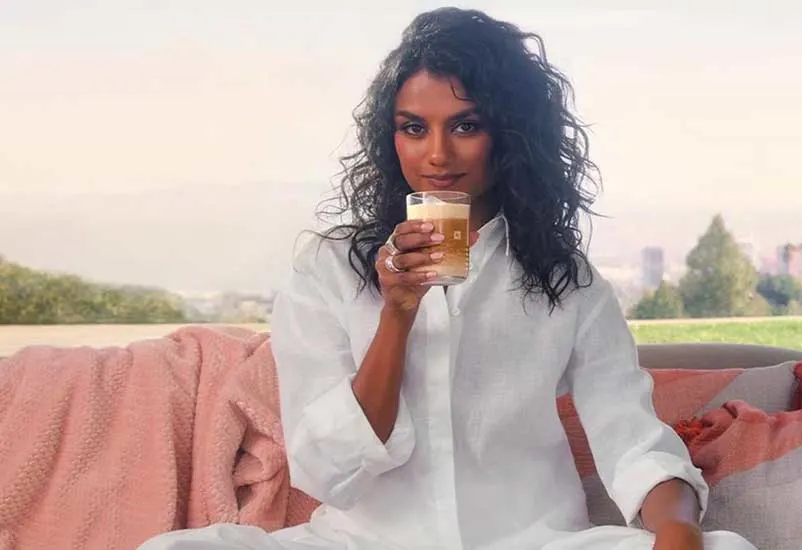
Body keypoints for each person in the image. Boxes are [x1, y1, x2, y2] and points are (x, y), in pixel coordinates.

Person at [141, 8, 757, 550]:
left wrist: (679, 534)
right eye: (414, 127)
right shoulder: (329, 268)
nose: (437, 154)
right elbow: (326, 470)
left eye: (465, 125)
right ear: (393, 137)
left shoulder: (567, 281)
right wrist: (397, 314)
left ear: (512, 137)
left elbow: (631, 439)